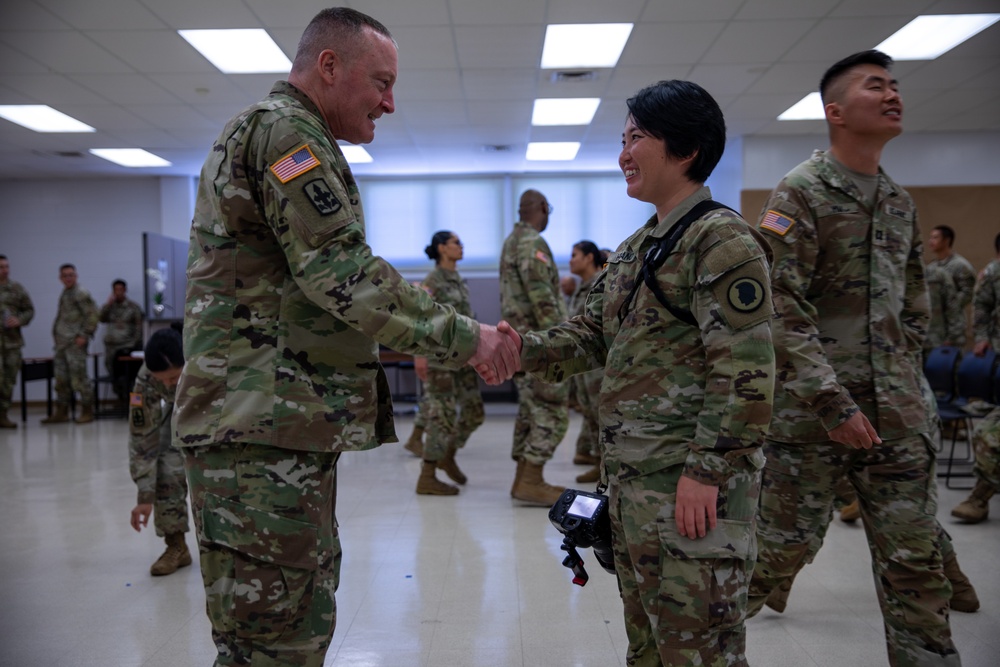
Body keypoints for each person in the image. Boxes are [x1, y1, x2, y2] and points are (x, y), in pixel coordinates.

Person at [173, 8, 519, 666]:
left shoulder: (295, 137)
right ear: (329, 67)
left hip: (270, 430)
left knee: (284, 630)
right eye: (381, 82)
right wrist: (469, 338)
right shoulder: (284, 135)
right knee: (276, 643)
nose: (390, 102)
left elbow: (331, 273)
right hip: (256, 433)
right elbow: (342, 274)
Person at [494, 79, 776, 667]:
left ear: (686, 149)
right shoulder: (642, 245)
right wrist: (514, 349)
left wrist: (706, 471)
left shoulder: (720, 241)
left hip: (689, 490)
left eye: (637, 138)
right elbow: (589, 333)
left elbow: (746, 373)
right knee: (649, 645)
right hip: (635, 488)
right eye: (622, 139)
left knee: (700, 650)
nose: (623, 153)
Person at [746, 50, 964, 664]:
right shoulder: (801, 192)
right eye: (876, 86)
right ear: (835, 111)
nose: (893, 93)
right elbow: (778, 306)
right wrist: (830, 398)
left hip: (896, 419)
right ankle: (690, 639)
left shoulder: (898, 200)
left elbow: (912, 304)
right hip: (813, 422)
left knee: (915, 562)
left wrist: (901, 379)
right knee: (778, 552)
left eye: (895, 85)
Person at [499, 189, 569, 506]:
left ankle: (523, 478)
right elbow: (543, 300)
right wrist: (562, 343)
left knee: (531, 409)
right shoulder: (533, 244)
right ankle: (531, 479)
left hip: (520, 344)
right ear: (543, 208)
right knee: (552, 410)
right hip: (541, 345)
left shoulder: (511, 242)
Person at [410, 231, 485, 495]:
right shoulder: (433, 281)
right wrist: (419, 356)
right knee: (440, 416)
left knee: (475, 412)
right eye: (455, 243)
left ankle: (447, 454)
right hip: (439, 360)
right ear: (442, 248)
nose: (461, 246)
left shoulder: (457, 280)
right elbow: (419, 318)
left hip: (463, 356)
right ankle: (427, 475)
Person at [128, 324, 191, 576]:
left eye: (174, 377)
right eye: (161, 379)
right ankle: (176, 546)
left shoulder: (208, 360)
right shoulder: (145, 379)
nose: (168, 383)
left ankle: (233, 549)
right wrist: (144, 495)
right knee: (166, 467)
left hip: (220, 415)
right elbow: (142, 437)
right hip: (177, 415)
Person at [951, 231, 1000, 523]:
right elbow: (981, 304)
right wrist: (981, 337)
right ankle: (980, 498)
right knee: (987, 434)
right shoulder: (993, 273)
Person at [566, 241, 604, 484]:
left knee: (601, 415)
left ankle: (608, 466)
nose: (571, 260)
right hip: (582, 365)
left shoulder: (601, 283)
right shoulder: (582, 287)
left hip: (598, 365)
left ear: (589, 257)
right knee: (590, 413)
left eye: (575, 255)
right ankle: (600, 463)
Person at [42, 263, 98, 425]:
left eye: (71, 275)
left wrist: (84, 335)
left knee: (79, 378)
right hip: (62, 344)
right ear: (60, 278)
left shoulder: (80, 293)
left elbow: (93, 314)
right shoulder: (66, 293)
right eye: (65, 275)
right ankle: (62, 412)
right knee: (61, 380)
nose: (68, 278)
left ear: (76, 276)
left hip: (74, 344)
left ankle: (87, 411)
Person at [927, 225, 977, 345]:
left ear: (946, 240)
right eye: (930, 238)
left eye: (935, 237)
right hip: (932, 327)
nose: (931, 241)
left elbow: (969, 292)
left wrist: (950, 305)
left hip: (952, 325)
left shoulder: (960, 265)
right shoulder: (931, 267)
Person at [0, 255, 34, 428]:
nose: (5, 270)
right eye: (1, 267)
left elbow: (29, 310)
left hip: (12, 343)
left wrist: (20, 319)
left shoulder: (16, 288)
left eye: (6, 266)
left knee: (8, 380)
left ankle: (3, 414)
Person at [99, 279, 144, 398]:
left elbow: (139, 328)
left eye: (120, 289)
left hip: (126, 346)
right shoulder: (110, 306)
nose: (118, 292)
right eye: (115, 290)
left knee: (128, 375)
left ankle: (132, 401)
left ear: (125, 290)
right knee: (113, 374)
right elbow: (101, 319)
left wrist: (134, 344)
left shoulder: (133, 307)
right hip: (111, 346)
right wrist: (107, 305)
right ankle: (121, 399)